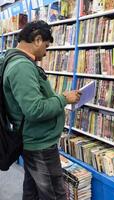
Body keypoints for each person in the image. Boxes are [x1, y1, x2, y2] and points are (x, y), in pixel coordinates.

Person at [3, 20, 81, 200]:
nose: (46, 53)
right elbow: (35, 109)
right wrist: (63, 98)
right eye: (46, 46)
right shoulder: (22, 67)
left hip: (34, 140)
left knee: (33, 192)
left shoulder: (16, 61)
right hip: (40, 144)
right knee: (54, 194)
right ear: (37, 40)